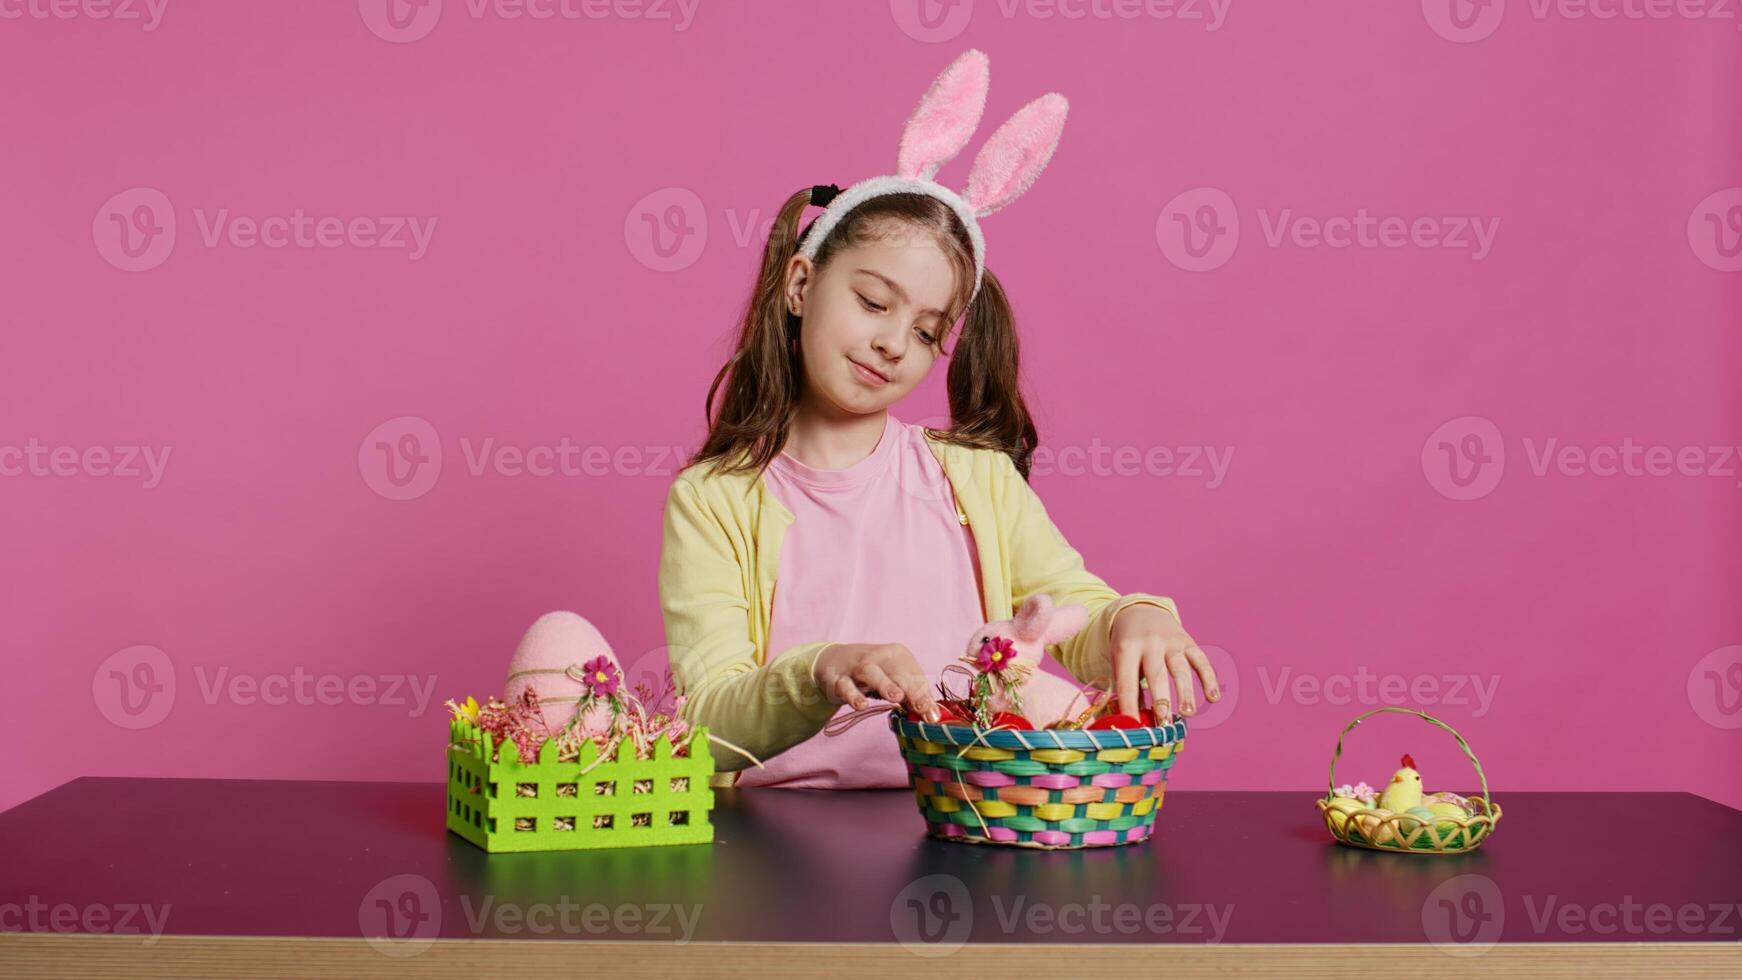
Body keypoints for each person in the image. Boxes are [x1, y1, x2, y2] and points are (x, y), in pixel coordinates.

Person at [655, 51, 1219, 789]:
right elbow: (709, 718)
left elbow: (1074, 611)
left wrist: (1134, 619)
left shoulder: (972, 478)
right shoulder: (713, 499)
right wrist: (821, 667)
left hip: (972, 816)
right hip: (776, 836)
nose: (894, 342)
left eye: (926, 331)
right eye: (873, 302)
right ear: (801, 284)